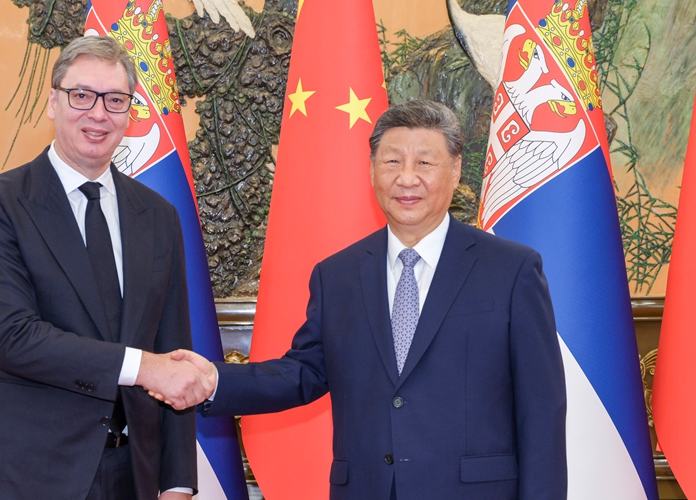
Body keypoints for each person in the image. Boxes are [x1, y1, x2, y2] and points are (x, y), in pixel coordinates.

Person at [171, 100, 567, 499]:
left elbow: (541, 412)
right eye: (392, 162)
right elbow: (303, 373)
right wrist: (213, 380)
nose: (407, 179)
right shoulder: (338, 275)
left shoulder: (510, 270)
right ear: (372, 169)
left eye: (425, 163)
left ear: (456, 169)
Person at [0, 36, 209, 500]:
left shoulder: (158, 215)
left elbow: (172, 348)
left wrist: (177, 482)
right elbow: (13, 337)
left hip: (133, 475)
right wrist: (143, 368)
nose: (98, 113)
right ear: (53, 102)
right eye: (82, 95)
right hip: (25, 476)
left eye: (115, 100)